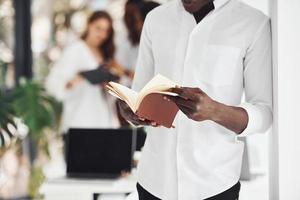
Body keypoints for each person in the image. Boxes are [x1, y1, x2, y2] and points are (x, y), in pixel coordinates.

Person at [118, 0, 272, 199]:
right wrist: (131, 110)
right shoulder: (155, 19)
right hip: (153, 182)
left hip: (214, 185)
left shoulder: (253, 23)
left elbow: (264, 113)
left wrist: (215, 111)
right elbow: (139, 92)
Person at [46, 11, 122, 132]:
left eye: (106, 31)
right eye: (98, 28)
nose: (102, 34)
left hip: (104, 121)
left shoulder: (106, 54)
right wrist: (79, 78)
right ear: (89, 25)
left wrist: (107, 84)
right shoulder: (75, 50)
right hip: (80, 120)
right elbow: (53, 84)